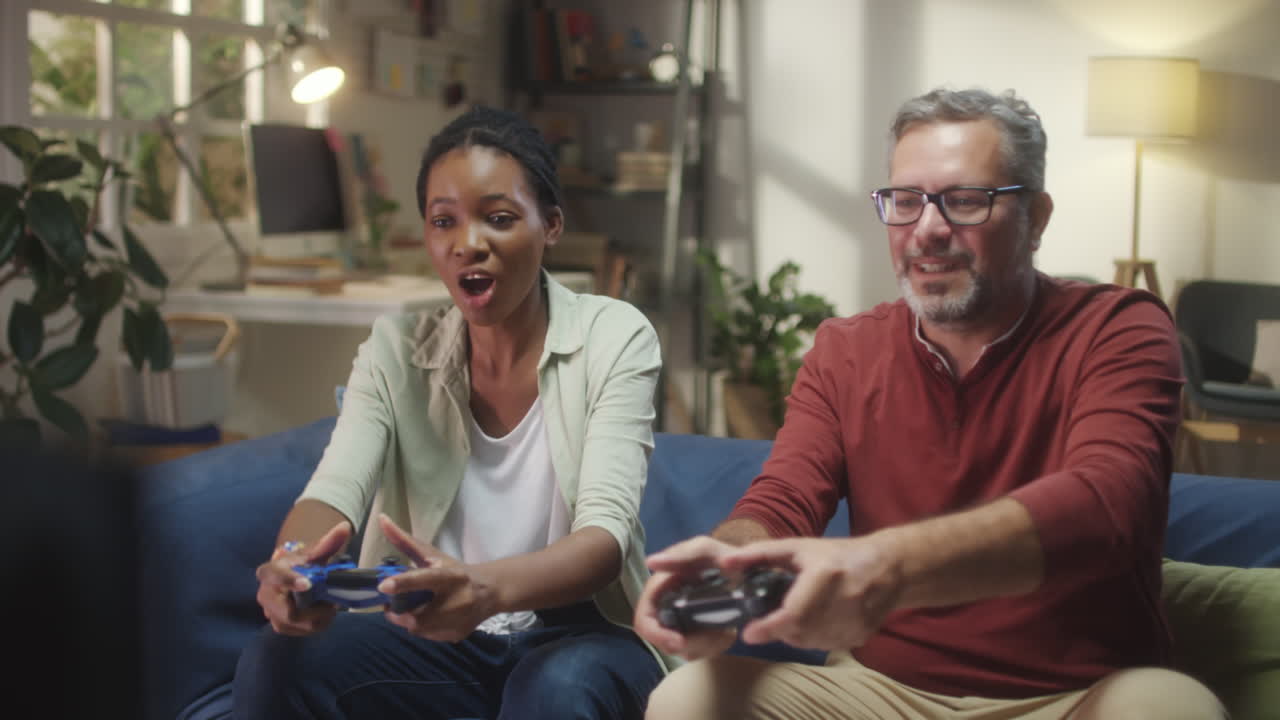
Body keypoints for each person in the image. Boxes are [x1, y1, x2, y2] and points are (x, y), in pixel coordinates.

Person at [633, 88, 1227, 719]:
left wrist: (884, 564)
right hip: (879, 692)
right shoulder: (845, 350)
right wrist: (729, 563)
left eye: (967, 201)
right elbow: (785, 498)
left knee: (1174, 708)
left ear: (1037, 217)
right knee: (687, 698)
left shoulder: (1118, 327)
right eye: (905, 201)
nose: (928, 229)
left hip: (1074, 697)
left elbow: (1109, 504)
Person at [233, 105, 671, 720]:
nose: (469, 243)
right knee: (277, 659)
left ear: (550, 226)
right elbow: (335, 488)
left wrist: (483, 588)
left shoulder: (614, 335)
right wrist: (295, 564)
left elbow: (603, 538)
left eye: (498, 218)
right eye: (444, 222)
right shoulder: (395, 349)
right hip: (438, 640)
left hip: (581, 635)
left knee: (555, 687)